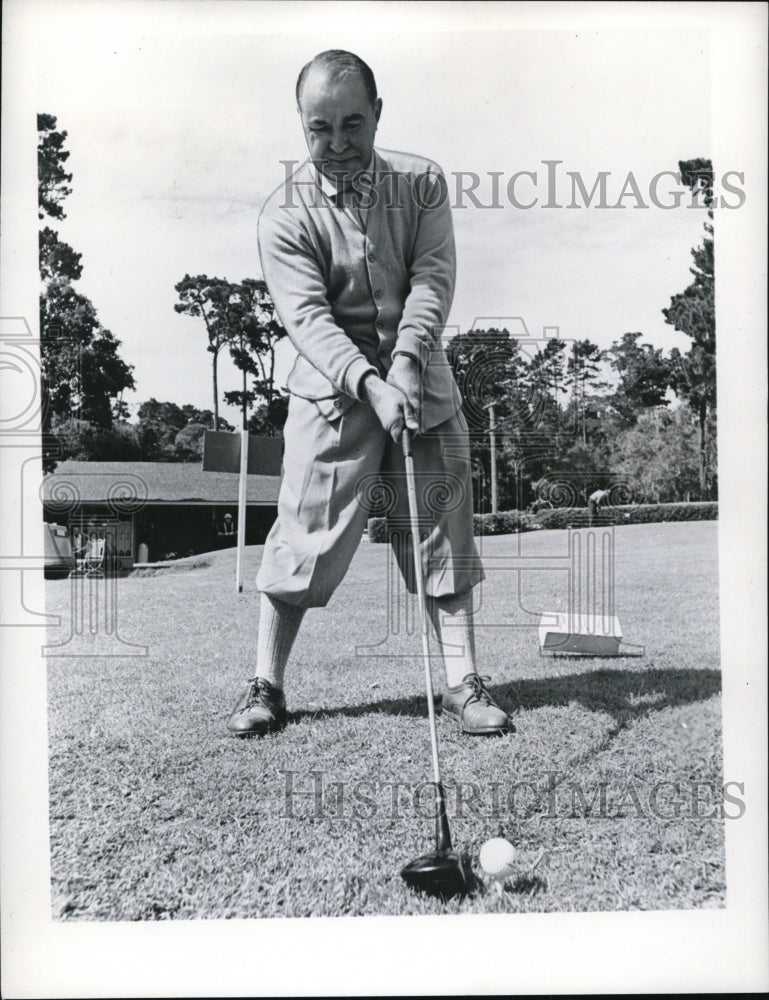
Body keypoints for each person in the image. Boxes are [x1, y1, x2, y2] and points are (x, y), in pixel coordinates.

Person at [226, 50, 512, 738]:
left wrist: (409, 359)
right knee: (300, 540)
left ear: (378, 114)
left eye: (352, 124)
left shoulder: (421, 184)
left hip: (424, 388)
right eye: (318, 129)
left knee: (444, 537)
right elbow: (309, 322)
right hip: (330, 397)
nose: (337, 144)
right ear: (301, 125)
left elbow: (432, 275)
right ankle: (265, 686)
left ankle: (462, 684)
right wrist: (369, 384)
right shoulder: (283, 216)